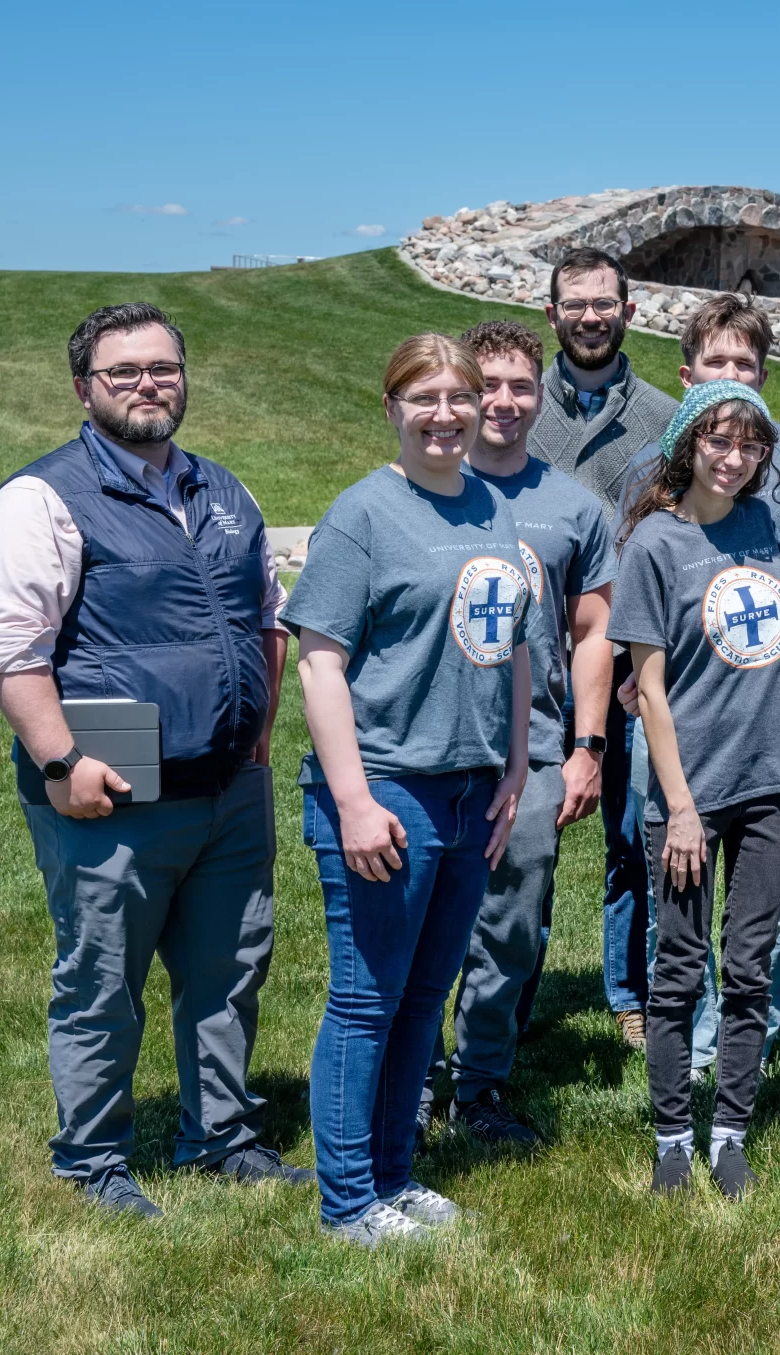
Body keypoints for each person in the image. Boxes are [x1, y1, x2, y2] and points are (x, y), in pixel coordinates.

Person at [0, 303, 305, 1217]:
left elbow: (264, 615)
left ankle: (222, 1135)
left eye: (163, 368)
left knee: (229, 970)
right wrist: (61, 760)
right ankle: (93, 1159)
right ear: (85, 388)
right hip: (109, 790)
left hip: (230, 786)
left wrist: (262, 733)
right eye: (124, 372)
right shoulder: (41, 498)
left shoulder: (224, 491)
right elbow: (10, 648)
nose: (148, 385)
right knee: (102, 978)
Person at [284, 334, 534, 1245]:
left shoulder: (491, 507)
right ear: (390, 406)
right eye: (423, 397)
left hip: (471, 794)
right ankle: (347, 1198)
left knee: (424, 999)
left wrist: (515, 768)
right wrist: (352, 801)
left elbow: (514, 642)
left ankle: (394, 1172)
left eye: (458, 397)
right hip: (388, 789)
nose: (443, 414)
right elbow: (319, 663)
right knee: (366, 998)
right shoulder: (363, 515)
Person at [606, 381, 780, 1200]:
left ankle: (730, 1131)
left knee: (752, 964)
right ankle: (671, 1139)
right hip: (689, 790)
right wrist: (681, 808)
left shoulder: (772, 526)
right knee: (679, 968)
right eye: (719, 442)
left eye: (751, 445)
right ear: (688, 444)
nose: (734, 459)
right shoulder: (655, 543)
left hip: (771, 777)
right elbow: (648, 692)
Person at [425, 320, 616, 1148]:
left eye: (520, 385)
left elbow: (594, 632)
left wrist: (588, 746)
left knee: (512, 927)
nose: (503, 402)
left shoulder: (574, 506)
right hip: (426, 748)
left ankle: (481, 1083)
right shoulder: (411, 490)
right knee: (420, 920)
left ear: (542, 394)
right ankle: (416, 1075)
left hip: (533, 749)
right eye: (486, 385)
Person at [526, 248, 678, 1053]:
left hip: (628, 660)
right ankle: (511, 991)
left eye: (605, 303)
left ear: (629, 311)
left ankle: (632, 993)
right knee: (522, 834)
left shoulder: (659, 417)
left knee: (632, 831)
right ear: (551, 314)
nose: (591, 316)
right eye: (575, 303)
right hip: (526, 659)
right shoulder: (512, 406)